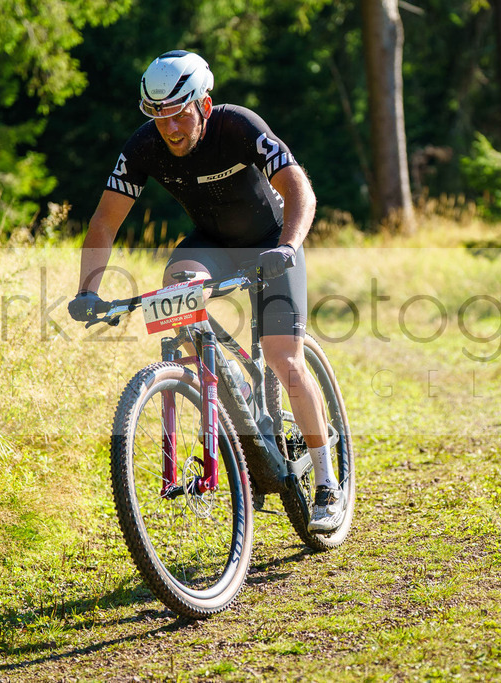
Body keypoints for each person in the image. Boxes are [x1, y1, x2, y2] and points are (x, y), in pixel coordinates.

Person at [67, 50, 343, 532]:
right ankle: (226, 416)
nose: (169, 129)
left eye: (178, 114)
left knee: (283, 357)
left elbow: (299, 187)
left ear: (204, 104)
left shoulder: (237, 126)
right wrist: (87, 290)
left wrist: (288, 245)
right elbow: (105, 220)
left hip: (270, 243)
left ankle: (327, 485)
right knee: (176, 290)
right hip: (211, 245)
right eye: (158, 116)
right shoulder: (143, 146)